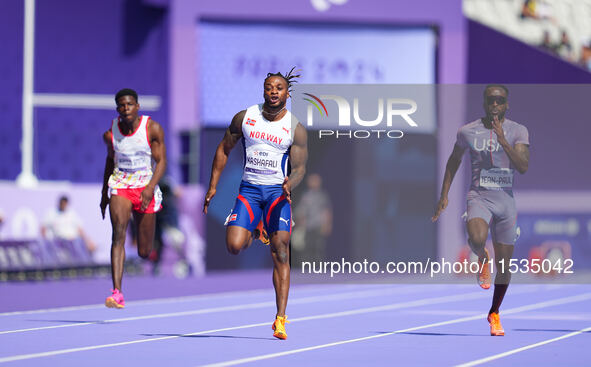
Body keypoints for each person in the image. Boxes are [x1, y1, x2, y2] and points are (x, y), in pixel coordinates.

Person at [203, 68, 307, 340]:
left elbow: (300, 168)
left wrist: (291, 183)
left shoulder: (295, 128)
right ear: (264, 91)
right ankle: (256, 229)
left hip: (276, 195)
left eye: (279, 87)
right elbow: (224, 149)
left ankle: (280, 319)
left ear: (287, 93)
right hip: (249, 191)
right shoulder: (245, 118)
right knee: (234, 246)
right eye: (269, 87)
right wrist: (213, 185)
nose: (274, 91)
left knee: (281, 251)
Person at [432, 85, 530, 336]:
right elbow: (454, 160)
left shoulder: (518, 131)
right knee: (476, 238)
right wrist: (444, 195)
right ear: (484, 104)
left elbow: (522, 167)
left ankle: (494, 312)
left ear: (507, 104)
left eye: (500, 101)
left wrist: (503, 141)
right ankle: (483, 258)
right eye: (491, 101)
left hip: (505, 201)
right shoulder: (467, 131)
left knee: (505, 266)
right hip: (479, 196)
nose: (495, 105)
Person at [100, 88, 166, 309]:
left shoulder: (152, 128)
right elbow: (110, 162)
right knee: (118, 235)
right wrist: (103, 194)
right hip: (121, 185)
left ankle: (150, 252)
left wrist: (150, 188)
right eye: (121, 105)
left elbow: (162, 162)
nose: (125, 108)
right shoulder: (111, 134)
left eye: (129, 104)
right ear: (117, 109)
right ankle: (117, 292)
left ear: (137, 106)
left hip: (145, 187)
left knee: (144, 252)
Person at [41, 195, 96, 263]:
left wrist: (88, 241)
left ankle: (85, 263)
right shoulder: (52, 213)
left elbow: (80, 229)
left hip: (72, 240)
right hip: (58, 241)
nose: (63, 205)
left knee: (80, 243)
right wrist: (46, 241)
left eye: (65, 204)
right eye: (62, 204)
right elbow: (43, 228)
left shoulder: (72, 214)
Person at [293, 173, 332, 263]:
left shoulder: (322, 196)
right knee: (307, 248)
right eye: (312, 181)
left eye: (316, 181)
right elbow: (301, 210)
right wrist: (299, 222)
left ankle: (318, 268)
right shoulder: (306, 196)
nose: (314, 183)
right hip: (308, 226)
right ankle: (306, 268)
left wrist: (327, 224)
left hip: (318, 225)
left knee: (318, 248)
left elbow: (327, 211)